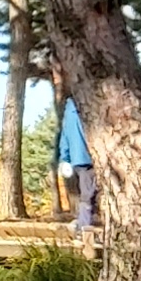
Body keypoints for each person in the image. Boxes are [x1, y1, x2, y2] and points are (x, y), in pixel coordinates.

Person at [54, 96, 96, 232]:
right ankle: (84, 225)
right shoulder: (90, 106)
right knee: (88, 194)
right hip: (88, 158)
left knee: (85, 192)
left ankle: (83, 222)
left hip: (77, 159)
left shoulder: (69, 110)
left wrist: (65, 158)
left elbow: (65, 137)